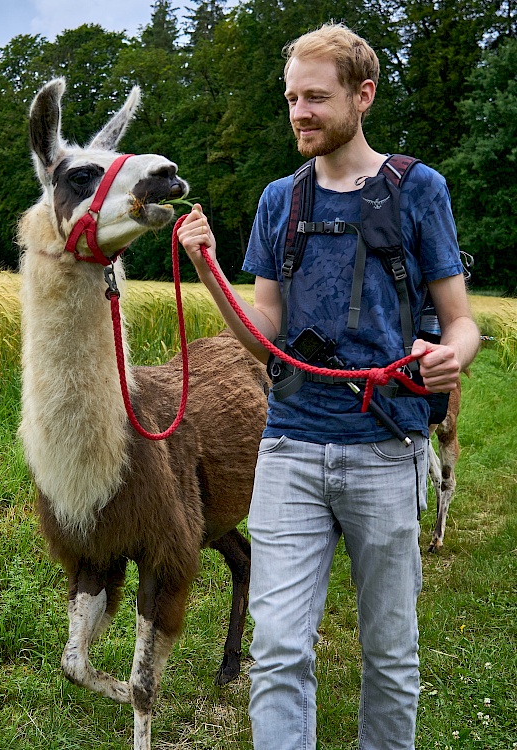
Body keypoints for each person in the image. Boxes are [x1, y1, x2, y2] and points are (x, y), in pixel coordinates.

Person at [177, 22, 480, 750]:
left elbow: (460, 320)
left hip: (387, 447)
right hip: (288, 447)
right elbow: (264, 337)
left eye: (315, 96)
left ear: (362, 95)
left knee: (391, 654)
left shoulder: (419, 190)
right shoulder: (280, 200)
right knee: (279, 649)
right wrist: (209, 270)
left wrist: (452, 357)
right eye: (291, 98)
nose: (299, 113)